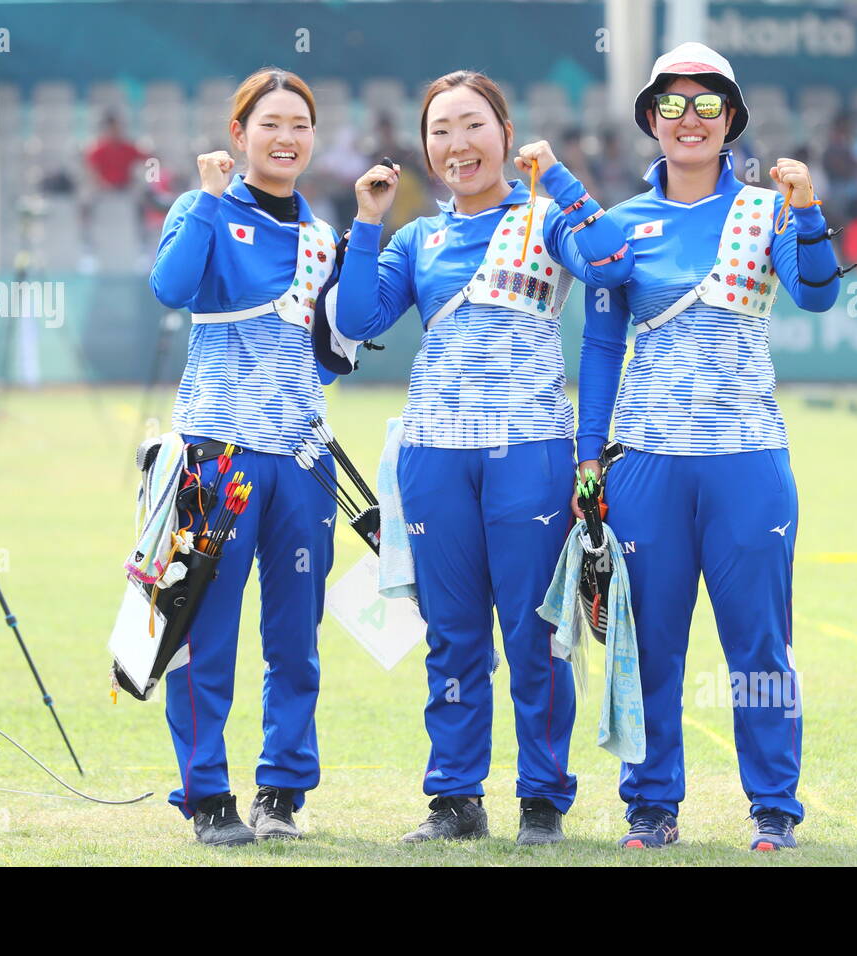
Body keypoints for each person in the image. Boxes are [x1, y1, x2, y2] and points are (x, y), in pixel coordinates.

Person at [334, 71, 633, 846]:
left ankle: (543, 798)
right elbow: (359, 318)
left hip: (529, 450)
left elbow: (611, 262)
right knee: (452, 637)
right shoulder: (416, 238)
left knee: (535, 632)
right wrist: (366, 224)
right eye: (440, 131)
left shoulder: (544, 217)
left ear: (505, 132)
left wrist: (560, 177)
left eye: (472, 126)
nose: (456, 145)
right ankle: (455, 800)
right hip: (434, 457)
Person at [576, 42, 845, 852]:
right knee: (651, 641)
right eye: (671, 104)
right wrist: (590, 458)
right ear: (650, 119)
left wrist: (806, 210)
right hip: (647, 464)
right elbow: (597, 348)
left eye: (706, 104)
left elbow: (819, 294)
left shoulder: (767, 210)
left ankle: (774, 808)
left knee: (759, 644)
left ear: (730, 120)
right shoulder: (616, 225)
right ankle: (652, 807)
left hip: (748, 463)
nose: (688, 120)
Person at [148, 67, 339, 847]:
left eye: (300, 123)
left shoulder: (324, 237)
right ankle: (207, 795)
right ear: (239, 135)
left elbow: (325, 358)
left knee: (296, 635)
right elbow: (170, 288)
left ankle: (283, 792)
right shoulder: (204, 210)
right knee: (204, 631)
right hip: (216, 456)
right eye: (270, 123)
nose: (286, 136)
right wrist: (209, 201)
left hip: (301, 459)